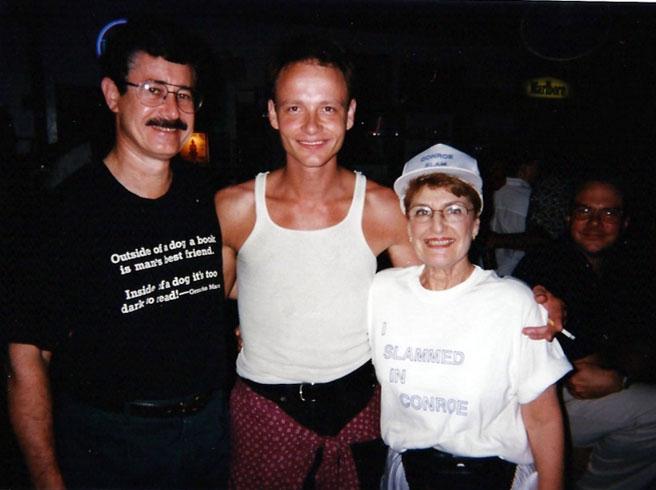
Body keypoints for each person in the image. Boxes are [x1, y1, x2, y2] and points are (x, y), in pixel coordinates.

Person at [215, 36, 564, 489]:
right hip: (265, 409)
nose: (312, 125)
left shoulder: (380, 207)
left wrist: (536, 306)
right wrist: (261, 313)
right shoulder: (234, 207)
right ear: (272, 113)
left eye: (328, 108)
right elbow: (210, 297)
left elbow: (437, 283)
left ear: (351, 114)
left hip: (358, 408)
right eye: (294, 107)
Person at [7, 19, 231, 489]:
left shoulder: (203, 196)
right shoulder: (63, 213)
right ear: (112, 95)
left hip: (209, 431)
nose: (171, 109)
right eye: (153, 89)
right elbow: (25, 359)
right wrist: (48, 479)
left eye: (184, 94)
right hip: (110, 440)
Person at [369, 144, 572, 490]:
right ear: (408, 225)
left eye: (454, 210)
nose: (437, 225)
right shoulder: (382, 291)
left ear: (476, 224)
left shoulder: (512, 302)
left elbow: (542, 419)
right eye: (422, 211)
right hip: (408, 476)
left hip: (495, 478)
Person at [514, 175, 656, 490]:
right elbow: (575, 373)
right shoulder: (543, 263)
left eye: (608, 214)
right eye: (584, 211)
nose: (595, 223)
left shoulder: (632, 265)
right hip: (539, 400)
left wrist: (620, 375)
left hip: (594, 386)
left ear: (625, 222)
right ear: (568, 218)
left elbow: (642, 340)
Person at [488, 149, 541, 276]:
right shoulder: (530, 198)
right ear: (525, 168)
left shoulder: (494, 192)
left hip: (490, 271)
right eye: (536, 167)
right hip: (517, 273)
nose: (538, 172)